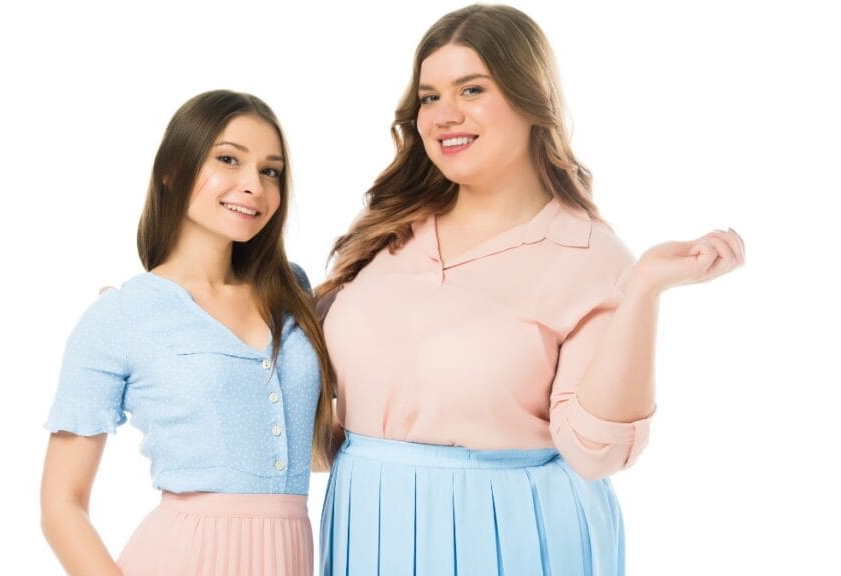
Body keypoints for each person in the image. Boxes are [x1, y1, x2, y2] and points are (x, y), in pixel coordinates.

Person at [316, 5, 745, 575]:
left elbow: (594, 451)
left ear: (529, 98)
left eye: (472, 89)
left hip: (512, 537)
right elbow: (310, 416)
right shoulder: (386, 234)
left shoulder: (589, 257)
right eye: (429, 97)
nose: (444, 115)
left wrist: (644, 291)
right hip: (367, 529)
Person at [40, 90, 333, 576]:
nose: (254, 186)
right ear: (172, 171)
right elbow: (61, 504)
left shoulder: (293, 293)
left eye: (270, 171)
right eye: (228, 159)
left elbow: (311, 449)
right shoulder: (121, 315)